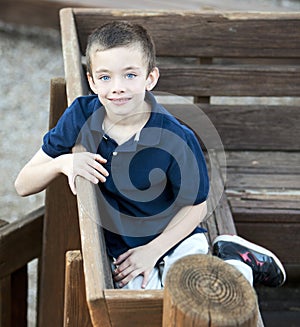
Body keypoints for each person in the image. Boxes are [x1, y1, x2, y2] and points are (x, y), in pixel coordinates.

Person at [15, 21, 286, 290]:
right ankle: (224, 261)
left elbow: (197, 206)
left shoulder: (176, 137)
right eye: (106, 77)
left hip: (176, 236)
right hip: (124, 247)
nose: (117, 87)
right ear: (92, 82)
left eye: (130, 75)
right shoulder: (81, 115)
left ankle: (235, 262)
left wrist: (153, 250)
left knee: (195, 293)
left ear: (150, 78)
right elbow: (23, 184)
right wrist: (64, 162)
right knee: (147, 301)